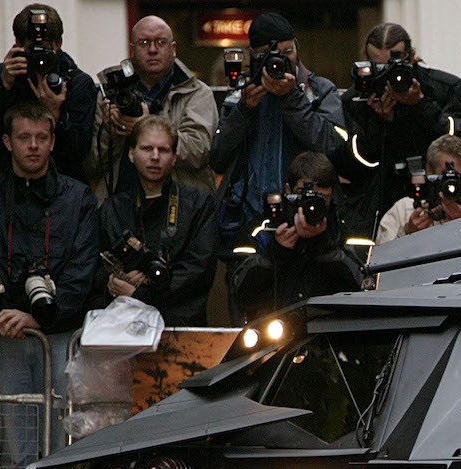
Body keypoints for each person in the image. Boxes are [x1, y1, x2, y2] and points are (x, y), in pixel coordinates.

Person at [0, 101, 98, 469]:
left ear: (53, 141)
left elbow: (83, 272)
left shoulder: (79, 199)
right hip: (6, 336)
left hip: (59, 335)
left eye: (41, 138)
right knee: (15, 447)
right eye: (24, 138)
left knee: (60, 447)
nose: (33, 146)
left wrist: (38, 315)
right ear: (7, 141)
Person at [209, 13, 344, 264]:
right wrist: (244, 110)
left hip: (307, 219)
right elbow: (217, 156)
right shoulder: (241, 96)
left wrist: (292, 99)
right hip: (249, 224)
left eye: (287, 51)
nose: (281, 60)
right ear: (253, 55)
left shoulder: (319, 90)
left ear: (297, 48)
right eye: (270, 54)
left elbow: (333, 145)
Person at [341, 22, 461, 241]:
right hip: (379, 204)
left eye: (394, 65)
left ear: (411, 58)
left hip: (444, 198)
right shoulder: (357, 100)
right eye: (379, 68)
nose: (389, 75)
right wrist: (379, 122)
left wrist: (422, 106)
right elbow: (351, 166)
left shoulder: (445, 88)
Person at [95, 116, 216, 327]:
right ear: (131, 154)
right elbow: (98, 266)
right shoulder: (113, 208)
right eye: (147, 148)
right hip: (121, 327)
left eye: (164, 150)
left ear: (175, 157)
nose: (155, 156)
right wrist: (113, 281)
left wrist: (142, 293)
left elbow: (198, 269)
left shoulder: (198, 203)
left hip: (181, 325)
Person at [86, 16, 218, 198]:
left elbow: (198, 151)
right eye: (144, 42)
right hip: (120, 205)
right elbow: (92, 165)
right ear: (132, 50)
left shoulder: (196, 92)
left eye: (161, 42)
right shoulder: (111, 93)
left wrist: (147, 126)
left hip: (181, 205)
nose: (153, 49)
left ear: (173, 49)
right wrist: (111, 133)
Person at [0, 5, 98, 183]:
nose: (40, 59)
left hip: (62, 184)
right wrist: (3, 86)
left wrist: (54, 114)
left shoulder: (77, 83)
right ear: (18, 44)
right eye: (33, 50)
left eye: (45, 50)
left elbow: (78, 151)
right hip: (6, 181)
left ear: (59, 44)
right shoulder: (1, 76)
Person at [233, 151, 361, 321]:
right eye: (304, 195)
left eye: (320, 198)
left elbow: (361, 288)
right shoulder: (264, 228)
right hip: (275, 327)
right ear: (288, 190)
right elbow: (240, 291)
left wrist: (324, 246)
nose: (311, 206)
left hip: (329, 329)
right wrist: (276, 253)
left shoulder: (348, 227)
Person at [376, 135, 461, 244]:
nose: (454, 184)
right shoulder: (403, 210)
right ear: (429, 171)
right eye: (447, 177)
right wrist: (407, 235)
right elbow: (379, 266)